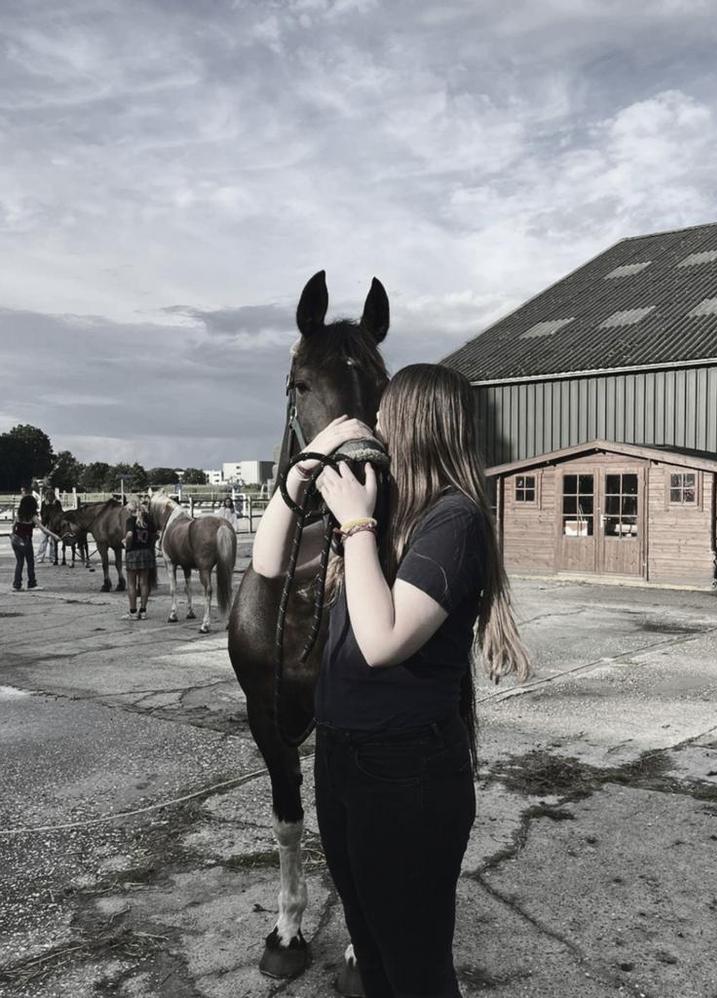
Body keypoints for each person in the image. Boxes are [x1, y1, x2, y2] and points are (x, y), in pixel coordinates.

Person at [252, 363, 531, 998]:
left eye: (385, 416)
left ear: (417, 425)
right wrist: (306, 466)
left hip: (409, 773)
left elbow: (381, 643)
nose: (373, 426)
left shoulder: (452, 522)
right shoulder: (383, 508)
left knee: (416, 966)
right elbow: (268, 564)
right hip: (343, 758)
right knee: (371, 950)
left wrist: (355, 523)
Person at [11, 487, 61, 592]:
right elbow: (43, 529)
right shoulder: (32, 516)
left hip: (15, 540)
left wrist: (12, 535)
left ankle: (17, 584)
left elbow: (13, 526)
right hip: (26, 540)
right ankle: (32, 583)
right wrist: (54, 536)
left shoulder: (19, 515)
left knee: (19, 563)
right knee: (30, 562)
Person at [122, 497, 157, 620]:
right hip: (147, 553)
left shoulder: (130, 521)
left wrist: (125, 541)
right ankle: (143, 611)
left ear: (130, 510)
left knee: (131, 584)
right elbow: (155, 535)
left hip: (133, 553)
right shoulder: (149, 521)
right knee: (144, 583)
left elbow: (130, 534)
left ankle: (132, 612)